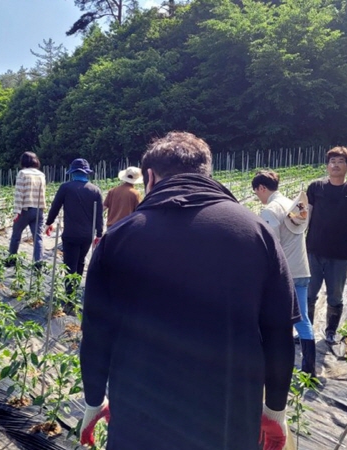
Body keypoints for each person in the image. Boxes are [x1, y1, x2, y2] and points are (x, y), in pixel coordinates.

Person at [79, 132, 299, 450]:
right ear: (206, 172)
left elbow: (96, 332)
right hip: (228, 422)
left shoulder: (119, 238)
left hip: (140, 421)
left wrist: (94, 400)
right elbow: (279, 331)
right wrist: (275, 410)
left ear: (150, 177)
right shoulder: (256, 233)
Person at [252, 170, 316, 378]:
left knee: (278, 320)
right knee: (302, 318)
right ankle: (308, 368)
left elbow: (272, 245)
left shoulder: (271, 210)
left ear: (262, 188)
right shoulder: (294, 204)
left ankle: (279, 368)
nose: (258, 198)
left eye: (256, 193)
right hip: (302, 268)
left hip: (284, 272)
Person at [306, 146, 347, 345]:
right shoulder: (315, 187)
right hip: (313, 250)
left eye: (340, 161)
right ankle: (306, 331)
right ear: (327, 166)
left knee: (335, 295)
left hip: (341, 253)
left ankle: (331, 331)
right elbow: (305, 213)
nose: (335, 164)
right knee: (309, 293)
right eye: (332, 161)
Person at [45, 158, 103, 296]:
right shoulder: (95, 190)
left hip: (70, 234)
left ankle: (69, 294)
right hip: (87, 235)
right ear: (86, 173)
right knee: (81, 261)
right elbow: (99, 215)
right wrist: (99, 234)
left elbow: (55, 207)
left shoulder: (66, 188)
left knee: (69, 264)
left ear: (72, 172)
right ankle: (75, 290)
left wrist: (49, 223)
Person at [6, 152, 46, 266]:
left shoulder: (22, 173)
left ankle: (12, 260)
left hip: (25, 209)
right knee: (38, 238)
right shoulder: (41, 174)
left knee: (16, 235)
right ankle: (38, 262)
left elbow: (19, 193)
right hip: (38, 209)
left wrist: (17, 211)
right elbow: (43, 193)